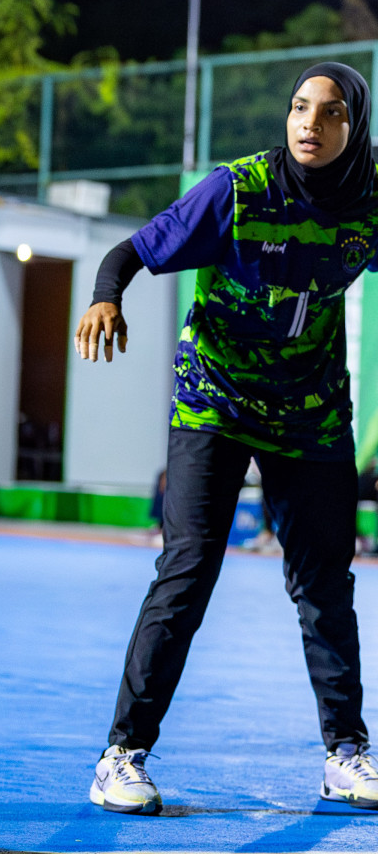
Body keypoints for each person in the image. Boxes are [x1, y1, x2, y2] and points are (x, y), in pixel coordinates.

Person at [75, 62, 378, 816]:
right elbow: (130, 252)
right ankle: (122, 755)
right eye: (299, 107)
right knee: (188, 568)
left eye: (331, 112)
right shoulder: (236, 191)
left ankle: (347, 753)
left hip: (309, 408)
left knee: (324, 585)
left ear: (356, 127)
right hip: (215, 396)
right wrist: (104, 299)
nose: (310, 123)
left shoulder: (370, 198)